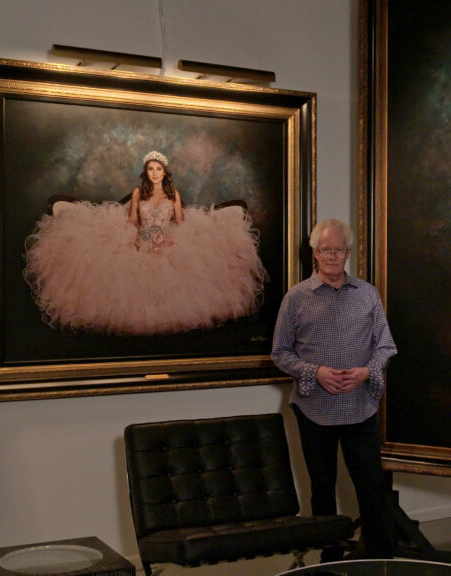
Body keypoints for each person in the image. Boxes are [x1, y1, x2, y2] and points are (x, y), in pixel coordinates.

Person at [24, 150, 266, 335]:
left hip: (165, 238)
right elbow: (132, 220)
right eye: (150, 169)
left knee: (177, 267)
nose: (154, 173)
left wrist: (169, 237)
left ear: (164, 172)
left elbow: (180, 221)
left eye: (158, 169)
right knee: (133, 269)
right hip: (143, 238)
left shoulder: (174, 194)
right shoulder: (138, 192)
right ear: (146, 172)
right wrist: (142, 236)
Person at [271, 218, 396, 560]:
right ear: (315, 253)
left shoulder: (368, 294)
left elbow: (386, 346)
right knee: (322, 489)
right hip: (315, 409)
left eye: (338, 250)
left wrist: (366, 372)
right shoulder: (296, 298)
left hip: (360, 407)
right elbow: (279, 353)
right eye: (325, 249)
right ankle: (328, 561)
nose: (332, 256)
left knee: (371, 487)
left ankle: (379, 558)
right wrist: (316, 372)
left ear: (348, 253)